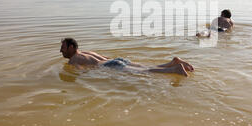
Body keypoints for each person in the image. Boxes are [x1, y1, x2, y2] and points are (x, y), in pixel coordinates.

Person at [60, 38, 194, 77]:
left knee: (146, 72)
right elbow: (104, 57)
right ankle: (172, 62)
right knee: (146, 67)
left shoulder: (73, 60)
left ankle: (174, 69)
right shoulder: (86, 52)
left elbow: (81, 72)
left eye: (63, 47)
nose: (61, 50)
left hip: (110, 65)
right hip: (115, 60)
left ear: (71, 48)